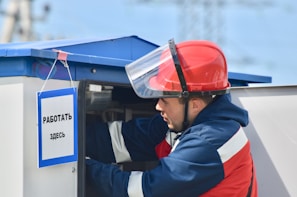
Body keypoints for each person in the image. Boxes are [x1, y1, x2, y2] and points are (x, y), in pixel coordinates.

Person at [85, 39, 258, 197]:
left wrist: (81, 169)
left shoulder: (211, 141)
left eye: (165, 100)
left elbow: (147, 191)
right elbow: (125, 139)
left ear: (195, 104)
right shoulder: (182, 122)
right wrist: (73, 141)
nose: (158, 106)